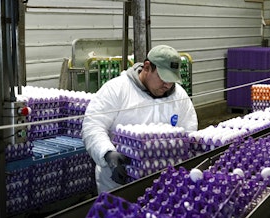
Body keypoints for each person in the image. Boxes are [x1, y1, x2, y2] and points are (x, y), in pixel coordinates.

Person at [81, 45, 198, 194]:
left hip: (164, 184)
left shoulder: (179, 96)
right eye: (163, 77)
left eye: (172, 79)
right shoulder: (117, 89)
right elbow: (93, 125)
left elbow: (188, 130)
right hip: (119, 182)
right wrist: (107, 153)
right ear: (147, 67)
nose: (168, 85)